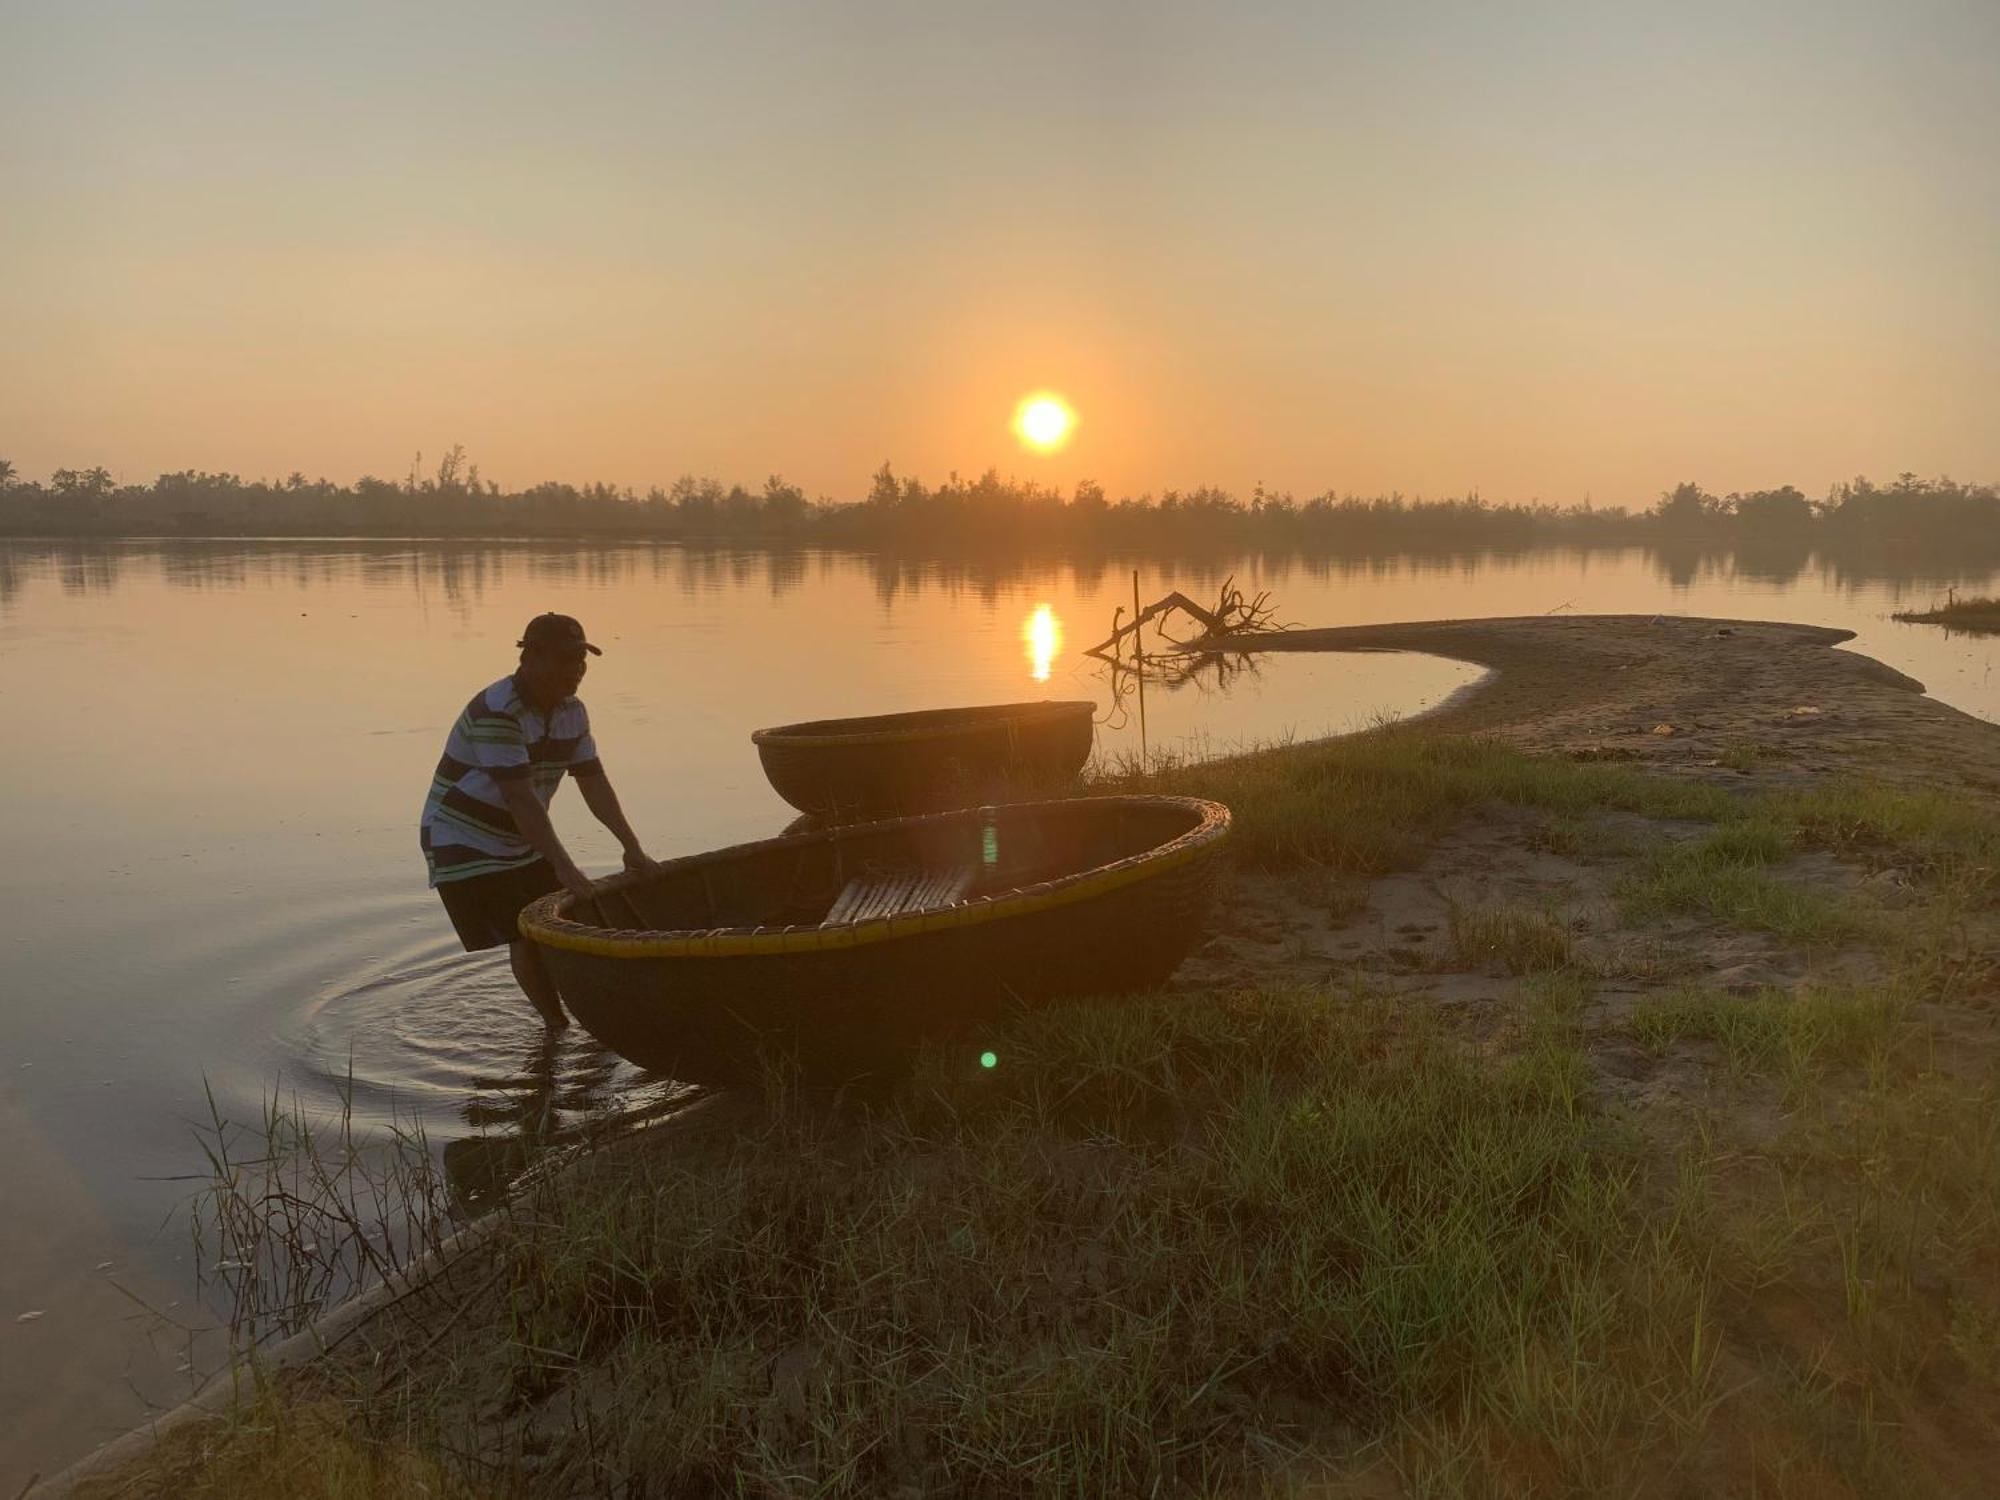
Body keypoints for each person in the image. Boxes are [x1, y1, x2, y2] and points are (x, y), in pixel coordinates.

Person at [419, 612, 659, 1026]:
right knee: (527, 934)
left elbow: (594, 783)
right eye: (565, 659)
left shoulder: (572, 711)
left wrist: (632, 848)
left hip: (518, 835)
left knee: (568, 923)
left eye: (580, 660)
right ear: (530, 659)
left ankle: (585, 1022)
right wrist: (566, 868)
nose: (576, 670)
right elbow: (521, 798)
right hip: (464, 839)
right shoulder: (498, 711)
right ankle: (557, 1029)